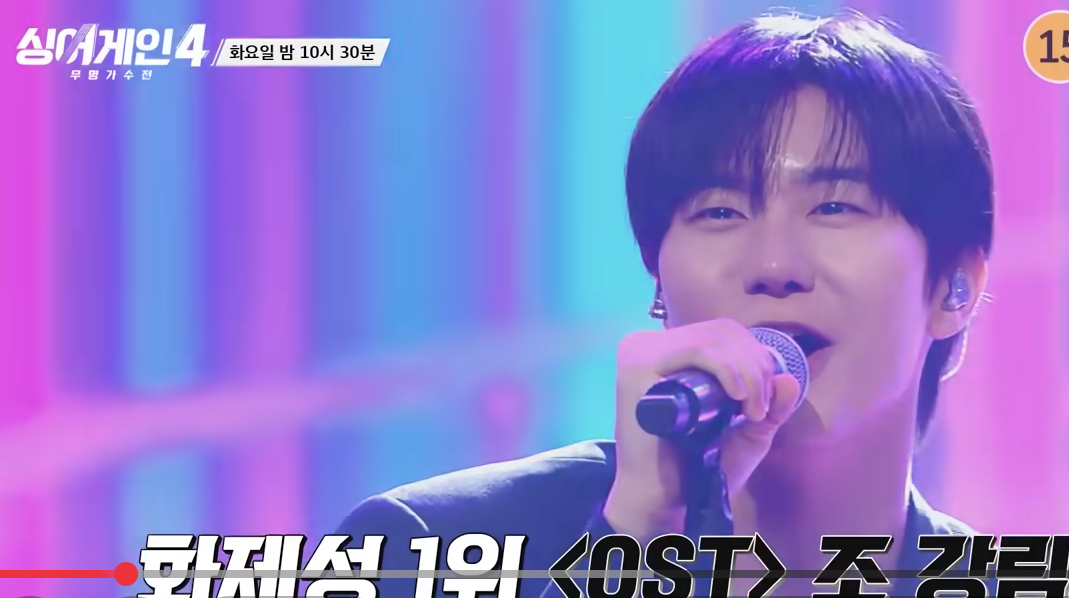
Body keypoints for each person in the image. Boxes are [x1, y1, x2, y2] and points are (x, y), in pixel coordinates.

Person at [336, 10, 1024, 597]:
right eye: (720, 212)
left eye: (835, 207)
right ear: (659, 285)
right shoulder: (424, 551)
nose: (774, 267)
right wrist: (636, 535)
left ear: (954, 286)